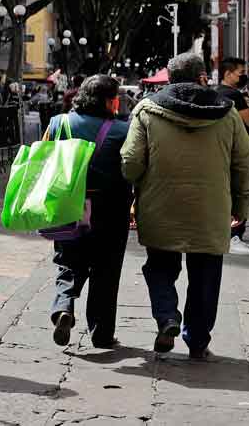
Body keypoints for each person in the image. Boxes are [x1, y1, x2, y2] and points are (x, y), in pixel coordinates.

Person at [121, 53, 249, 360]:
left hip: (159, 206)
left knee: (160, 267)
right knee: (206, 276)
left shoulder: (146, 110)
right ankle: (198, 340)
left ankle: (167, 317)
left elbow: (130, 164)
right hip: (212, 209)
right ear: (203, 78)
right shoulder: (229, 113)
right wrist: (242, 208)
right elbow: (243, 164)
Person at [44, 75, 133, 349]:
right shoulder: (122, 129)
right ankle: (101, 333)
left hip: (68, 205)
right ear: (110, 100)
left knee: (68, 260)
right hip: (111, 208)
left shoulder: (58, 123)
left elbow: (44, 157)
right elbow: (132, 167)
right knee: (106, 269)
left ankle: (64, 308)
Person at [215, 58, 249, 254]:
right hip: (239, 151)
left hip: (223, 150)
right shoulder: (234, 95)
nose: (243, 75)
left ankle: (228, 233)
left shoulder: (215, 93)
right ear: (228, 74)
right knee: (240, 191)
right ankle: (234, 235)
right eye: (240, 72)